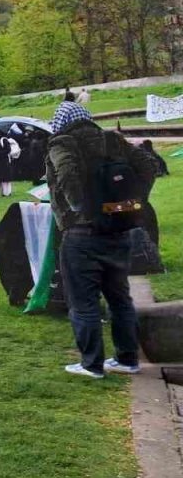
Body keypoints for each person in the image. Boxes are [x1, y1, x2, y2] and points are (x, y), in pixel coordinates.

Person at [47, 101, 156, 378]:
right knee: (120, 297)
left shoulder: (63, 142)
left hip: (81, 234)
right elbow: (148, 165)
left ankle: (91, 364)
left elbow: (66, 173)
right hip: (119, 230)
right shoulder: (112, 139)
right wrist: (132, 203)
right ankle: (127, 359)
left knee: (83, 301)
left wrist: (79, 208)